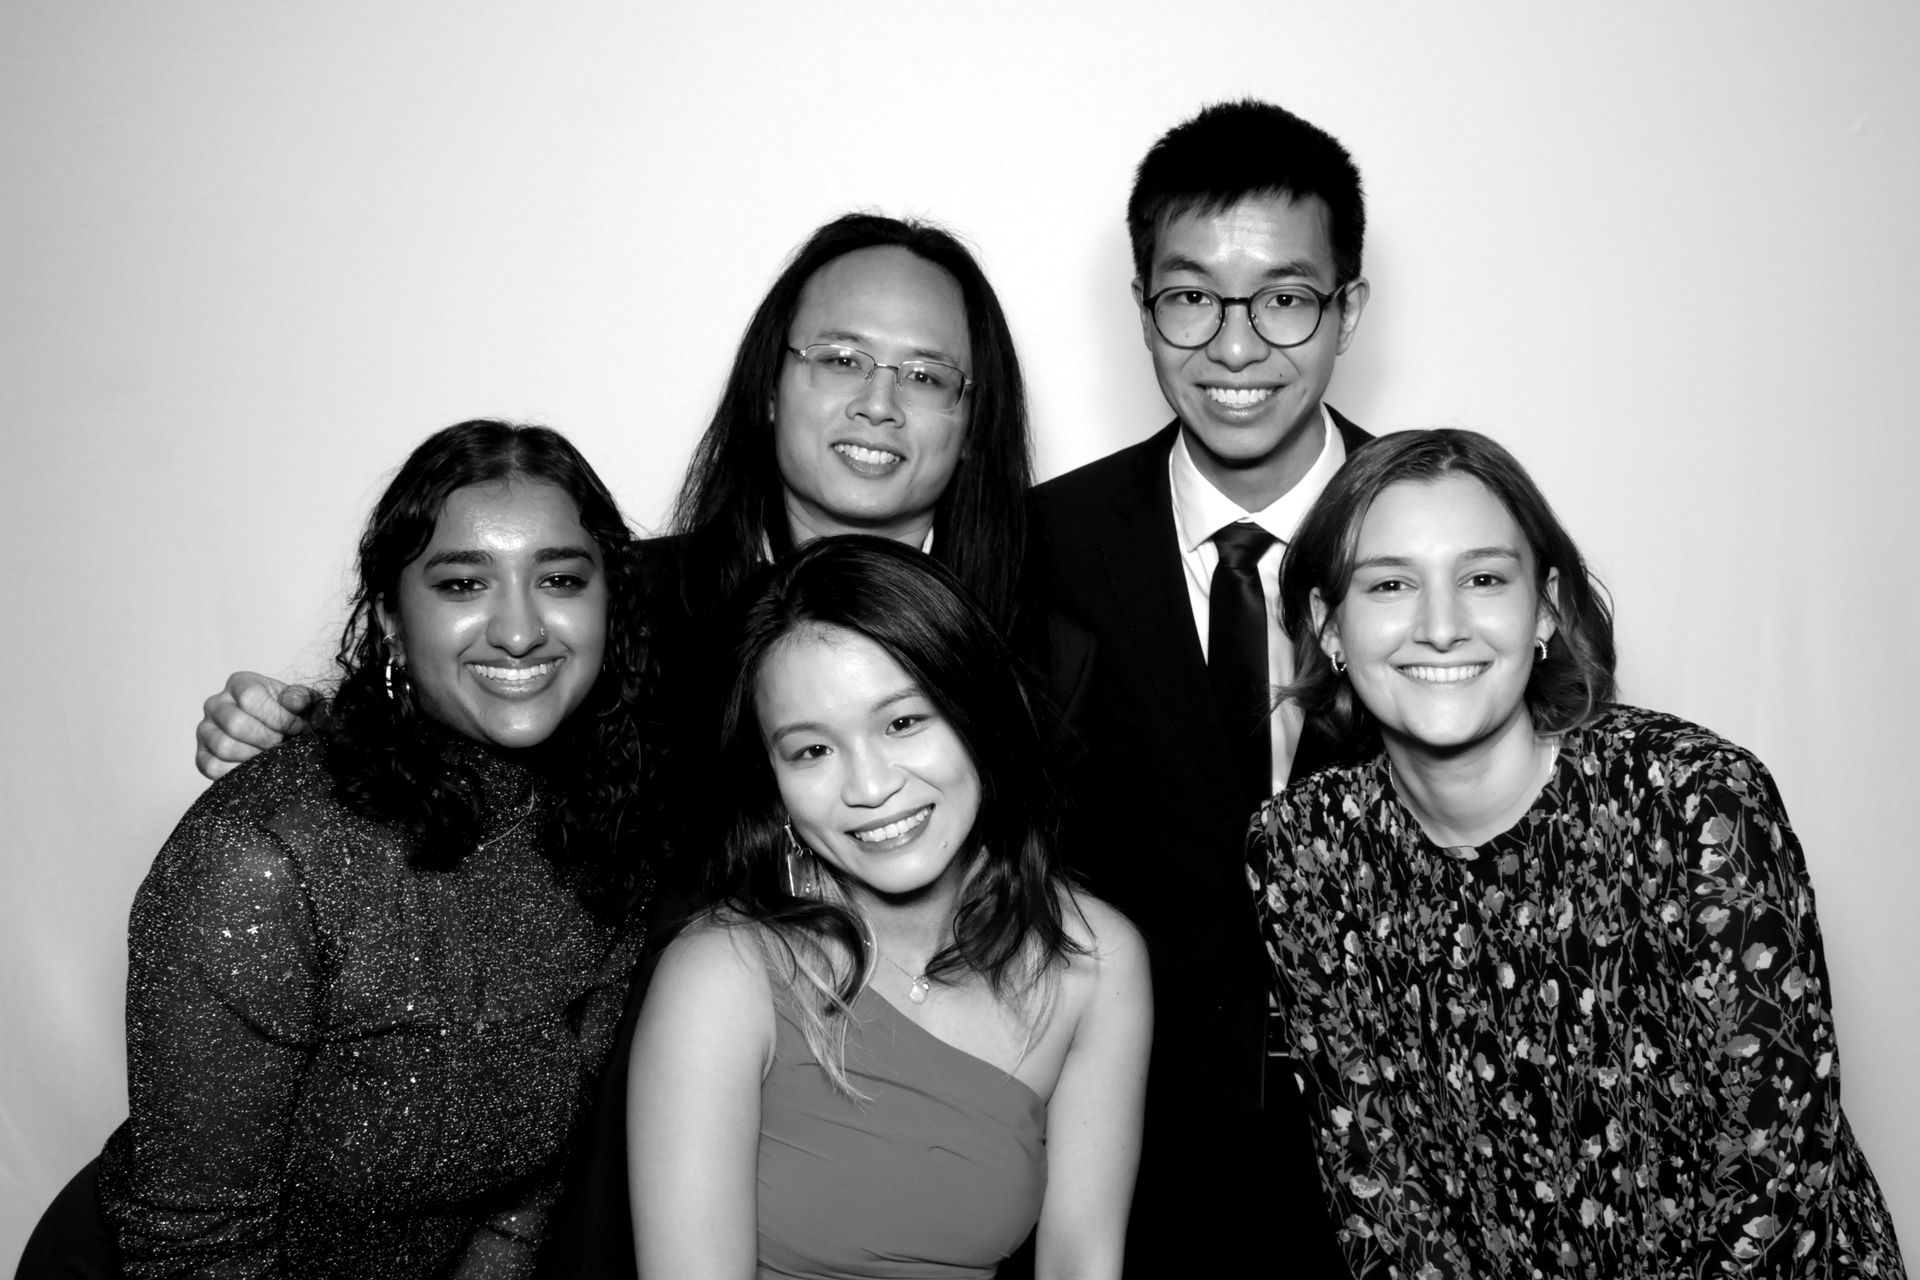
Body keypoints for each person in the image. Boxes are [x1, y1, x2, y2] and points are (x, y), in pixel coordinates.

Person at [1249, 428, 1906, 1278]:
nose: (1441, 627)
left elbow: (1774, 1182)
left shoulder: (1694, 803)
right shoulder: (1302, 849)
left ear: (1546, 609)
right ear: (1327, 625)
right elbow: (1381, 1198)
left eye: (1484, 579)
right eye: (1390, 584)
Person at [20, 421, 658, 1279]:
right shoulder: (264, 858)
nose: (518, 629)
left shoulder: (606, 829)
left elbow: (527, 1193)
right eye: (463, 583)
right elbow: (194, 1248)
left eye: (560, 579)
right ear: (392, 618)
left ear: (608, 603)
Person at [1024, 98, 1370, 1275]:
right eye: (1191, 298)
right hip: (1126, 1173)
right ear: (1143, 309)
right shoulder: (1040, 549)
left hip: (1409, 1169)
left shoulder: (1450, 541)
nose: (1234, 346)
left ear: (1348, 309)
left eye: (1285, 297)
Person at [627, 536, 1150, 1279]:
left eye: (903, 723)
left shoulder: (1093, 960)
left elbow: (1081, 1264)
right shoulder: (723, 974)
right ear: (772, 782)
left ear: (977, 713)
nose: (870, 787)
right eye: (811, 751)